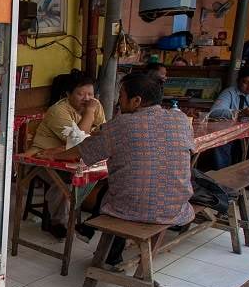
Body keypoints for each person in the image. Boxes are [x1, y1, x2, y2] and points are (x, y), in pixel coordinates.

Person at [35, 73, 194, 267]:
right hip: (178, 206)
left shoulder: (121, 124)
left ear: (136, 101)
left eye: (122, 97)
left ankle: (100, 243)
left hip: (136, 209)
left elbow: (82, 151)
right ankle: (105, 247)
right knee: (115, 189)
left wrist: (54, 154)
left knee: (118, 194)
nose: (119, 102)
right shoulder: (181, 120)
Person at [27, 75, 106, 240]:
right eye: (80, 94)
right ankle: (59, 222)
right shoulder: (58, 111)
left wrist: (91, 116)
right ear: (67, 94)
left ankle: (88, 217)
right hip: (42, 158)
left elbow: (103, 132)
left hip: (72, 156)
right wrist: (90, 113)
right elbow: (78, 141)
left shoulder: (95, 105)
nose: (87, 99)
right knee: (67, 181)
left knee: (105, 173)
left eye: (90, 94)